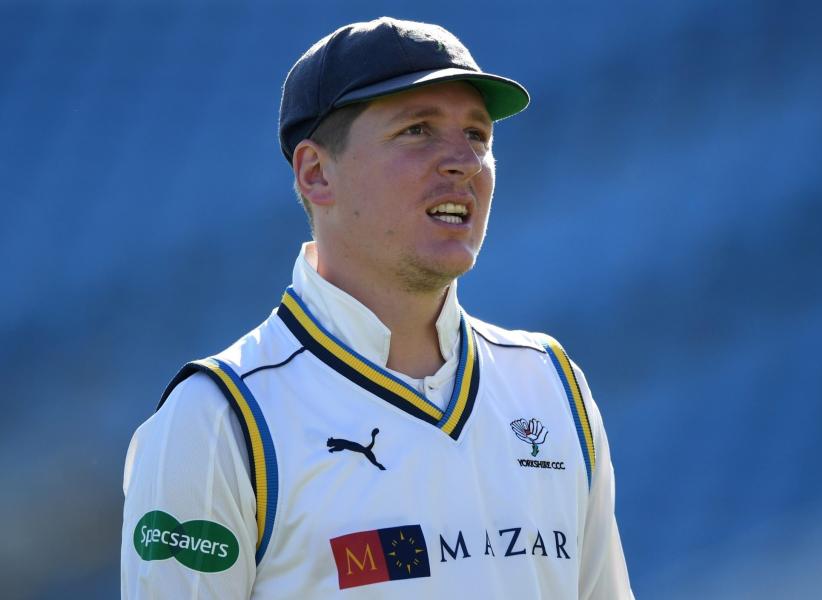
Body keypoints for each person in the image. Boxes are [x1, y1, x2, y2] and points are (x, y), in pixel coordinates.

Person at [121, 16, 633, 599]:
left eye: (478, 135)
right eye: (418, 130)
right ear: (316, 173)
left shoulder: (551, 385)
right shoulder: (217, 419)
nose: (463, 161)